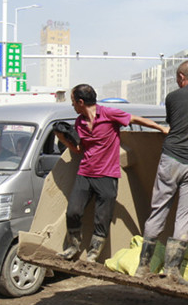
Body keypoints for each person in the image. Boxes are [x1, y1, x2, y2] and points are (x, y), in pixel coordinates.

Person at [55, 84, 168, 263]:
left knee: (102, 218)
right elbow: (78, 150)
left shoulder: (109, 114)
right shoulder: (79, 122)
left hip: (107, 175)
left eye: (73, 102)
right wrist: (62, 138)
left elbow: (135, 120)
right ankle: (73, 247)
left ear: (81, 102)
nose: (73, 106)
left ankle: (93, 254)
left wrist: (161, 128)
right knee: (73, 212)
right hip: (85, 173)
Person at [136, 60, 188, 284]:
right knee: (185, 218)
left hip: (170, 159)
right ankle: (172, 270)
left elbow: (174, 124)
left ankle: (143, 266)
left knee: (158, 210)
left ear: (182, 78)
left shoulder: (172, 97)